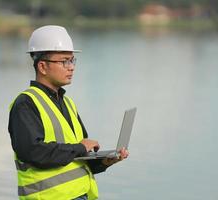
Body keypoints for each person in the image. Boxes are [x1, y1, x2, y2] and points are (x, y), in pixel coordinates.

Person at [8, 25, 129, 200]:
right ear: (42, 66)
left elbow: (76, 158)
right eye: (64, 61)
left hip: (80, 195)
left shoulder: (67, 103)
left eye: (72, 60)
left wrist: (103, 162)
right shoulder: (25, 103)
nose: (71, 67)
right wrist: (80, 148)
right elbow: (33, 152)